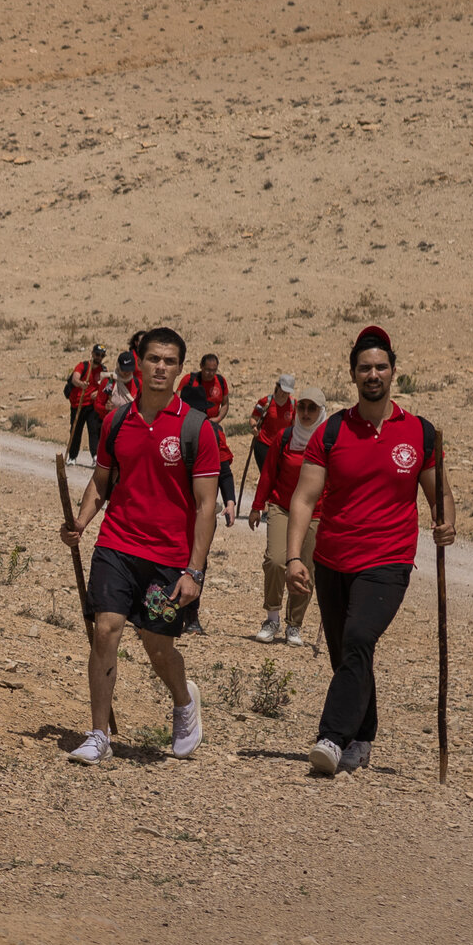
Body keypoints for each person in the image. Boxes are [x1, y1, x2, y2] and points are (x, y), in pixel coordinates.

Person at [284, 325, 456, 779]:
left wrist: (446, 522)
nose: (373, 374)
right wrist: (294, 557)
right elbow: (303, 498)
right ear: (353, 374)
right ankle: (363, 735)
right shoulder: (333, 430)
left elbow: (439, 494)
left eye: (381, 366)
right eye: (365, 368)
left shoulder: (419, 432)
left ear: (393, 371)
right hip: (332, 559)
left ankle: (331, 738)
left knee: (360, 638)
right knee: (347, 654)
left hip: (389, 560)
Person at [59, 327, 217, 765]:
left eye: (169, 361)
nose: (160, 367)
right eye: (153, 359)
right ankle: (97, 734)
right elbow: (101, 481)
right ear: (139, 361)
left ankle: (184, 700)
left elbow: (206, 508)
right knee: (106, 629)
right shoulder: (116, 421)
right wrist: (82, 521)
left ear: (180, 369)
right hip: (117, 546)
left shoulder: (195, 428)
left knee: (157, 646)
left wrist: (194, 572)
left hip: (169, 560)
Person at [247, 384, 327, 645]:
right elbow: (268, 473)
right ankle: (272, 618)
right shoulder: (284, 437)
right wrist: (257, 506)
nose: (305, 413)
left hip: (316, 512)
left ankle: (295, 624)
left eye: (311, 408)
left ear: (321, 411)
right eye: (302, 407)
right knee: (276, 561)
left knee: (307, 567)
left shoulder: (328, 441)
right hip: (282, 507)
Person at [179, 352, 238, 524]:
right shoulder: (174, 431)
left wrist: (230, 501)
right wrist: (230, 501)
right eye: (207, 370)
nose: (210, 373)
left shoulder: (213, 432)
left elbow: (224, 469)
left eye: (214, 370)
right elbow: (225, 471)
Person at [64, 343, 108, 460]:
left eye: (102, 355)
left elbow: (106, 386)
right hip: (77, 404)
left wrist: (98, 393)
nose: (99, 357)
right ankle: (72, 457)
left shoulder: (103, 370)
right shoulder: (83, 366)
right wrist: (81, 384)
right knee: (76, 430)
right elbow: (74, 379)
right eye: (97, 354)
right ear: (92, 354)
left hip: (91, 405)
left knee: (94, 430)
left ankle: (95, 456)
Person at [250, 375, 297, 473]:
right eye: (283, 390)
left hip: (283, 446)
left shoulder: (293, 404)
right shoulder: (265, 402)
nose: (284, 394)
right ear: (277, 386)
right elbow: (253, 418)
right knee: (268, 475)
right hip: (264, 444)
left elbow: (294, 425)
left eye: (287, 392)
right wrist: (254, 427)